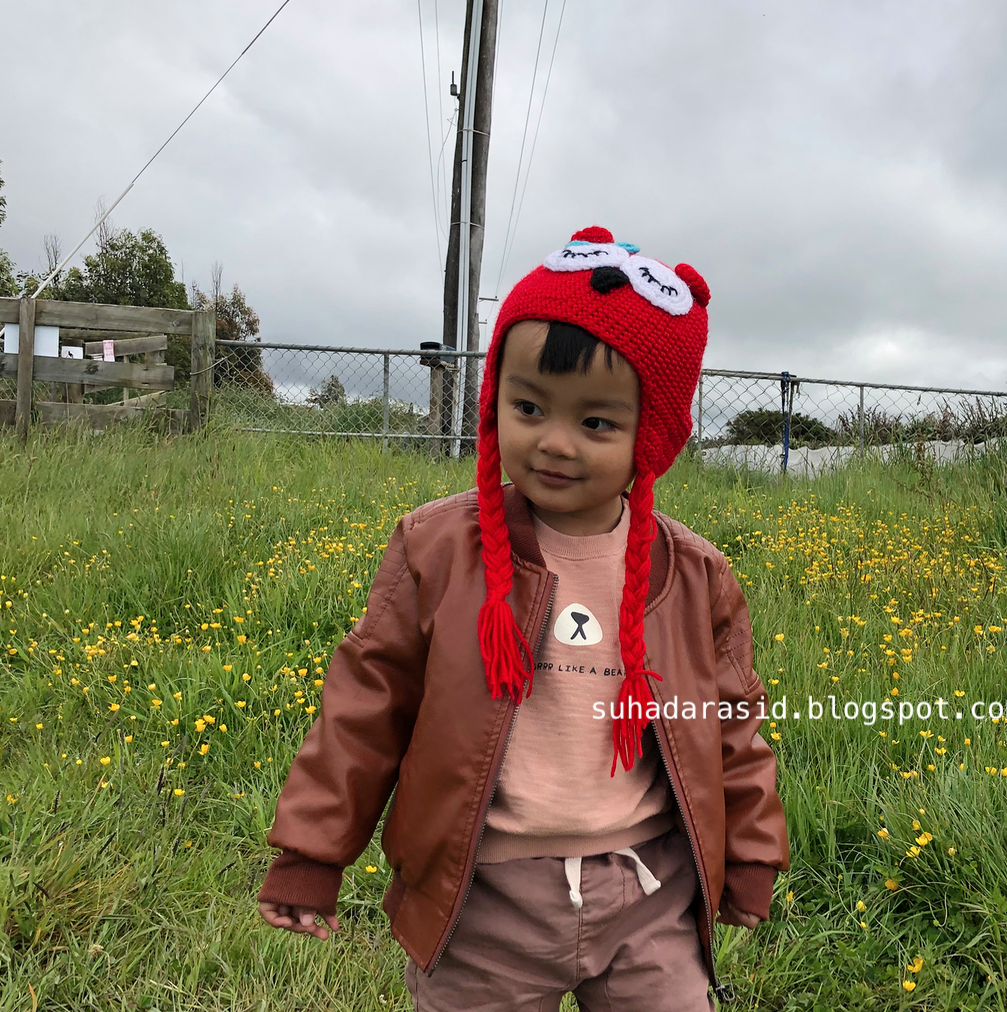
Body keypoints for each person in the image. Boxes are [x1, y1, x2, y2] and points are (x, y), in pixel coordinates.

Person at [256, 226, 790, 1011]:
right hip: (481, 900)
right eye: (529, 407)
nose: (554, 443)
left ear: (653, 435)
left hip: (649, 892)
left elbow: (733, 724)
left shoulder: (693, 575)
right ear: (494, 399)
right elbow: (365, 706)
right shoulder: (438, 549)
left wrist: (749, 851)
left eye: (596, 423)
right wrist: (311, 854)